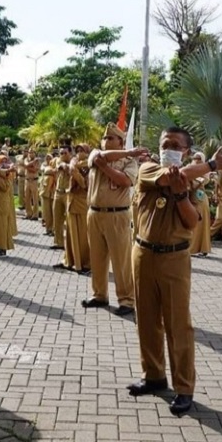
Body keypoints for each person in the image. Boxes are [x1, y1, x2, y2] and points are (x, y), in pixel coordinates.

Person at [127, 126, 222, 416]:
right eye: (166, 143)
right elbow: (168, 176)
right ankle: (153, 376)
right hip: (143, 253)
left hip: (174, 258)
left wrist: (180, 197)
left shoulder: (190, 182)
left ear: (187, 152)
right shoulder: (148, 169)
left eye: (176, 145)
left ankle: (184, 387)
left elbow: (192, 221)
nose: (169, 148)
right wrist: (213, 165)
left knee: (178, 324)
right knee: (147, 320)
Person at [81, 124, 142, 315]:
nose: (106, 141)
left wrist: (106, 168)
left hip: (118, 214)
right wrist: (124, 154)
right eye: (105, 138)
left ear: (121, 142)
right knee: (97, 258)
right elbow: (98, 159)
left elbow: (125, 181)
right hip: (94, 212)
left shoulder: (130, 161)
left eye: (111, 139)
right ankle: (99, 294)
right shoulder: (95, 153)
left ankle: (127, 300)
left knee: (121, 260)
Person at [58, 144, 91, 274]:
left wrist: (75, 172)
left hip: (82, 204)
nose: (79, 153)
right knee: (70, 235)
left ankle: (84, 263)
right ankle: (69, 260)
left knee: (82, 237)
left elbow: (85, 184)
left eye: (82, 150)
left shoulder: (89, 166)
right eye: (77, 150)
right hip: (71, 201)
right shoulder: (73, 163)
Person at [188, 152, 212, 257]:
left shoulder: (204, 170)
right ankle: (191, 248)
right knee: (194, 223)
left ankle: (204, 248)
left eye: (199, 158)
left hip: (202, 198)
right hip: (192, 198)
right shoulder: (189, 168)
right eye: (195, 158)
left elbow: (204, 180)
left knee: (204, 223)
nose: (196, 160)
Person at [50, 145, 73, 250]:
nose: (63, 155)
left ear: (70, 153)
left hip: (68, 193)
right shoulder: (58, 161)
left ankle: (70, 243)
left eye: (65, 153)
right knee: (57, 218)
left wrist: (66, 166)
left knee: (69, 219)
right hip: (58, 192)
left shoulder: (74, 162)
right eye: (61, 153)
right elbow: (55, 169)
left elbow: (69, 170)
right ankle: (59, 242)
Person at [39, 154, 55, 236]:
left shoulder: (55, 167)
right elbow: (44, 169)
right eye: (47, 158)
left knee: (53, 211)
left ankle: (53, 229)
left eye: (50, 158)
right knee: (46, 211)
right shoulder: (44, 166)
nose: (48, 159)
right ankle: (48, 229)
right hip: (45, 191)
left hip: (53, 192)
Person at [23, 149, 40, 220]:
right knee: (27, 198)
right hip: (27, 180)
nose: (30, 154)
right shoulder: (26, 159)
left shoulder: (37, 161)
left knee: (35, 198)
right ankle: (28, 213)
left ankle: (35, 215)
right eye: (29, 152)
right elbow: (26, 165)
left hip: (34, 181)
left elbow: (35, 170)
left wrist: (28, 167)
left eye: (32, 152)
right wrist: (32, 164)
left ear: (34, 153)